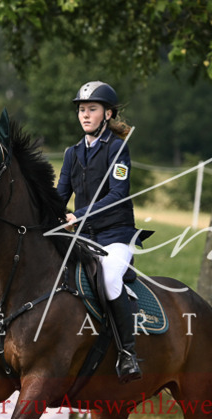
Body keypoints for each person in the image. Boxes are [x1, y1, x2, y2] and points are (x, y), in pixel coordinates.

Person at [56, 80, 145, 382]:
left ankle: (127, 353)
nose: (85, 115)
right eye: (82, 110)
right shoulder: (72, 153)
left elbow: (117, 194)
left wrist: (76, 216)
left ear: (107, 114)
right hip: (83, 237)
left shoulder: (118, 148)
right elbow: (60, 196)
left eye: (92, 109)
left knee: (108, 279)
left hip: (115, 236)